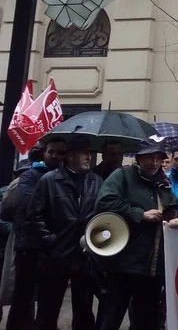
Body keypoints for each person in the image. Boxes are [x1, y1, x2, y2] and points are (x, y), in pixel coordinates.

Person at [94, 141, 178, 330]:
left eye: (158, 158)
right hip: (124, 263)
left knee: (147, 319)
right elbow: (105, 203)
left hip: (153, 267)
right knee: (111, 315)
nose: (154, 163)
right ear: (139, 158)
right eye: (150, 157)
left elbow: (172, 205)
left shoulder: (163, 183)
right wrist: (140, 214)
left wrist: (175, 217)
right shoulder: (122, 176)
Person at [29, 136, 102, 330]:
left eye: (90, 154)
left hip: (85, 256)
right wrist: (50, 241)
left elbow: (103, 215)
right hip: (55, 256)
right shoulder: (49, 180)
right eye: (84, 153)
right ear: (70, 156)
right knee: (48, 310)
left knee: (84, 311)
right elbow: (35, 216)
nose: (89, 157)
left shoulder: (96, 181)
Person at [2, 136, 66, 330]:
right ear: (44, 152)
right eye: (51, 151)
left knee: (49, 303)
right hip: (30, 247)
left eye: (60, 152)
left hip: (55, 250)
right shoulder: (30, 176)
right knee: (22, 300)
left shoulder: (66, 177)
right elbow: (30, 207)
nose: (54, 155)